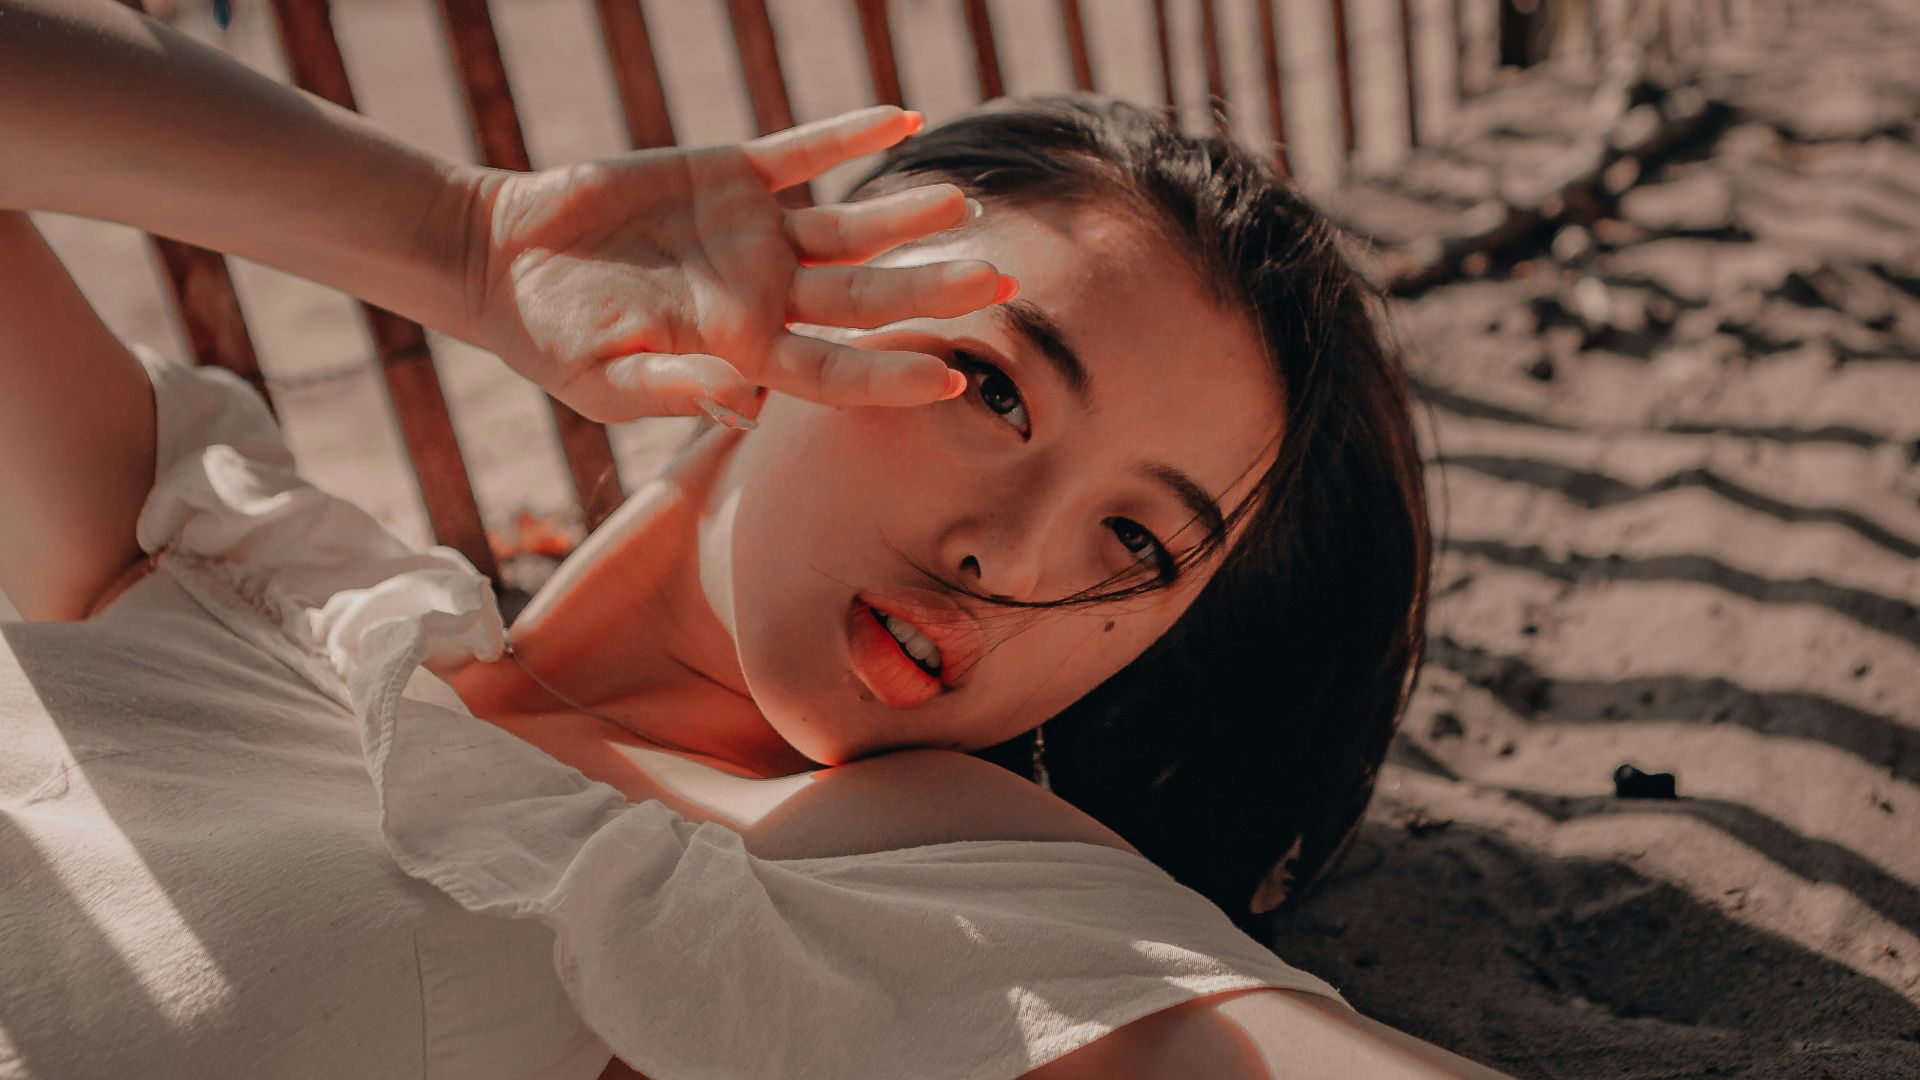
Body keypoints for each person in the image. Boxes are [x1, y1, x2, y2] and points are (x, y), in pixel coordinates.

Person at [0, 1, 1498, 1077]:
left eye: (1139, 538)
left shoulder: (917, 885)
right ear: (792, 311)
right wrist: (460, 239)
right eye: (988, 384)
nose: (1014, 554)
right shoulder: (228, 564)